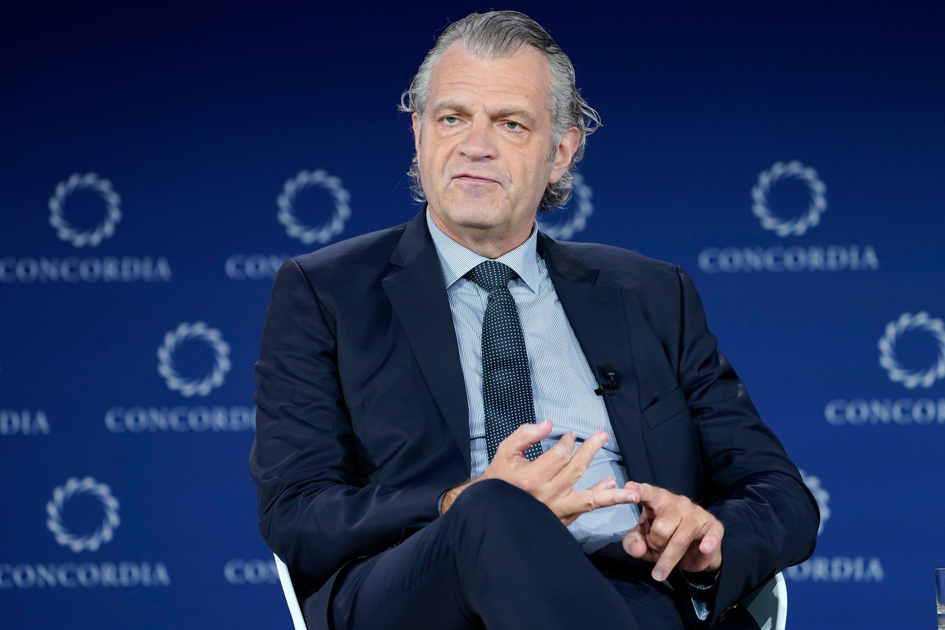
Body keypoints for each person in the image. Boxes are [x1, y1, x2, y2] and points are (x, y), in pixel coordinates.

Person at [249, 10, 818, 630]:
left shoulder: (652, 294)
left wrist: (707, 539)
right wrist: (456, 502)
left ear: (561, 152)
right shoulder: (326, 291)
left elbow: (781, 496)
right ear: (418, 133)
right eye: (451, 118)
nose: (475, 145)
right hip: (421, 589)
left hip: (627, 589)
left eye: (511, 124)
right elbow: (297, 511)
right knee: (495, 508)